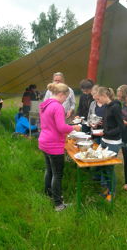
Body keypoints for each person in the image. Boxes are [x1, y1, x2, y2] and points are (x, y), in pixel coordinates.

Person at [38, 83, 81, 212]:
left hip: (44, 140)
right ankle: (58, 205)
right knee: (57, 174)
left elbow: (50, 123)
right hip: (53, 144)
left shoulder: (45, 104)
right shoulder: (57, 107)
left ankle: (49, 194)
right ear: (61, 94)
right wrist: (74, 127)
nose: (65, 100)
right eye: (66, 98)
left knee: (49, 170)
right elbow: (61, 127)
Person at [93, 87, 124, 202]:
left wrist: (106, 132)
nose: (98, 101)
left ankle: (112, 192)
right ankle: (108, 188)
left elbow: (121, 126)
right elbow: (110, 122)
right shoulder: (107, 106)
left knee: (109, 167)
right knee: (103, 165)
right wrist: (102, 123)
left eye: (98, 98)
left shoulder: (116, 107)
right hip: (104, 140)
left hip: (113, 142)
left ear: (103, 96)